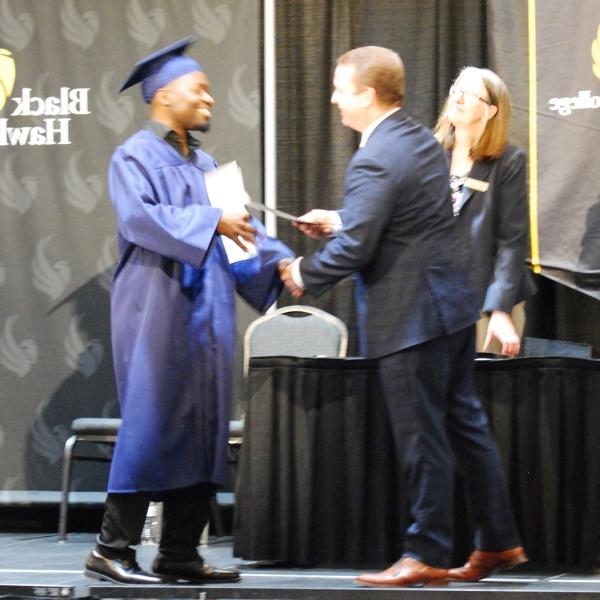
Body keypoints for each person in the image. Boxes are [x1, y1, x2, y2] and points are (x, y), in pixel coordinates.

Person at [281, 46, 527, 586]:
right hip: (451, 309)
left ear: (366, 94)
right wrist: (342, 219)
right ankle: (499, 540)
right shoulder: (416, 138)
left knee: (422, 438)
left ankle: (428, 552)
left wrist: (302, 275)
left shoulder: (376, 154)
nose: (333, 100)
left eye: (341, 90)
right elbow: (401, 212)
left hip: (412, 315)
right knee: (465, 427)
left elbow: (361, 248)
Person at [84, 37, 293, 585]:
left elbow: (243, 234)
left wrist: (285, 265)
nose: (210, 100)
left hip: (209, 312)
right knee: (153, 421)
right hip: (157, 306)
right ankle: (112, 550)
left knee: (204, 426)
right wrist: (210, 222)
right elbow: (141, 221)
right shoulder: (133, 155)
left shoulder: (207, 163)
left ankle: (179, 553)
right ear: (163, 95)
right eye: (199, 90)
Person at [433, 67, 536, 357]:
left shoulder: (509, 162)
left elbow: (511, 243)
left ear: (491, 111)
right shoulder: (428, 155)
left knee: (480, 395)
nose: (458, 98)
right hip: (435, 300)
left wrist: (499, 309)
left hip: (486, 301)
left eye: (469, 93)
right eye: (456, 90)